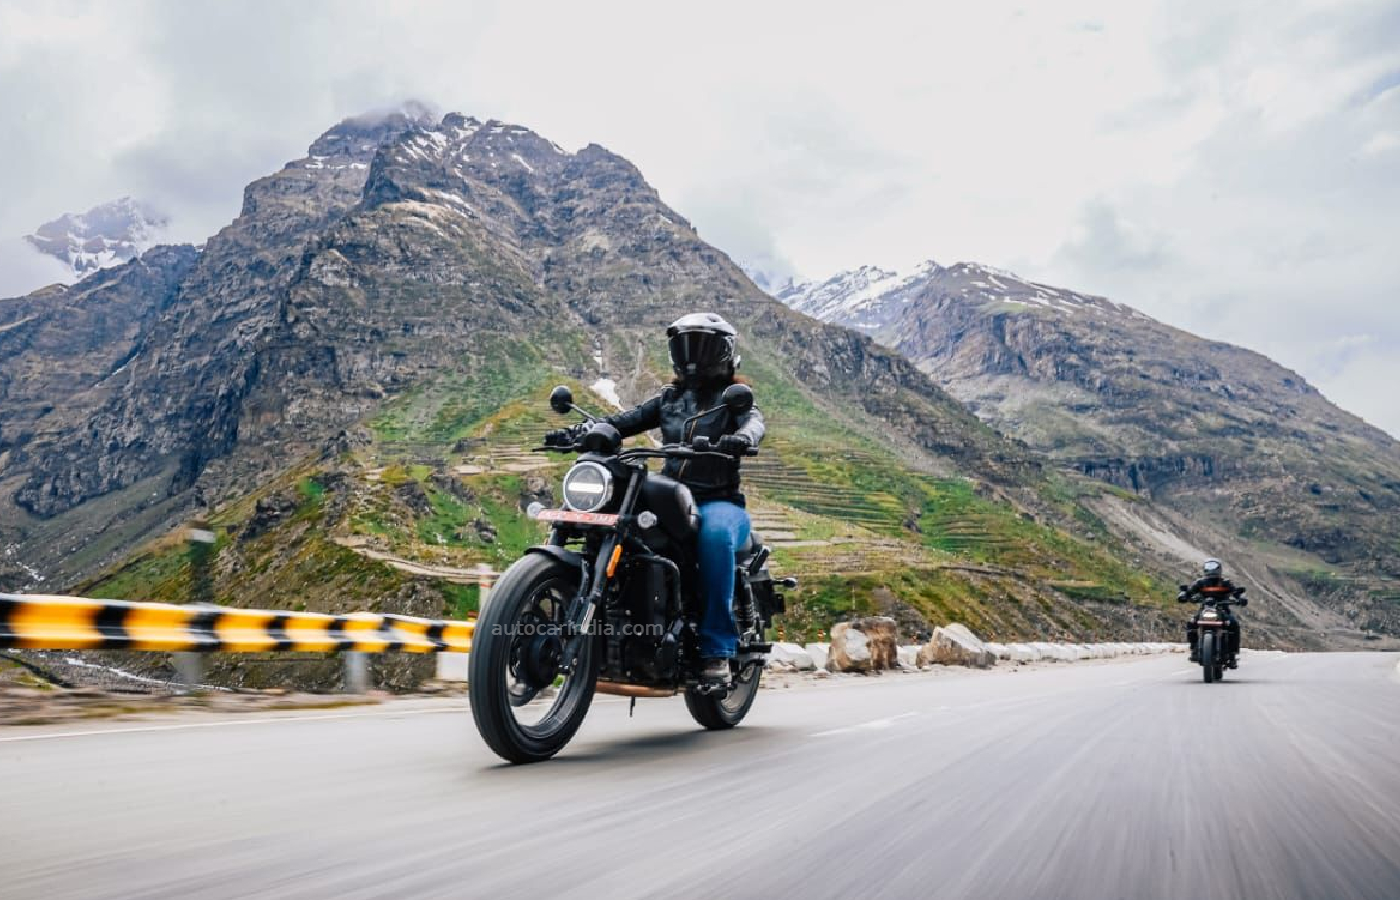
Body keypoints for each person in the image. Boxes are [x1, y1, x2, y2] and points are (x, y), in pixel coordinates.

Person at [547, 312, 765, 685]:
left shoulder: (733, 401)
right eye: (687, 346)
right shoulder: (669, 399)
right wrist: (580, 430)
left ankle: (717, 649)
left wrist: (743, 438)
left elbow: (754, 422)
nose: (693, 356)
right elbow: (623, 421)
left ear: (724, 353)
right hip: (671, 497)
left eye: (702, 346)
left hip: (718, 502)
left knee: (714, 538)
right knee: (622, 523)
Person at [1177, 558, 1246, 667]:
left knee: (1234, 624)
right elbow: (1189, 591)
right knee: (1191, 623)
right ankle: (1194, 648)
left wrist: (1241, 598)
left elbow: (1236, 592)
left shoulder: (1226, 583)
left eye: (1213, 567)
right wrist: (1183, 595)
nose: (1211, 570)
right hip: (1204, 610)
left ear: (1219, 569)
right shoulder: (1200, 583)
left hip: (1222, 611)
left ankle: (1232, 654)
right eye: (1209, 567)